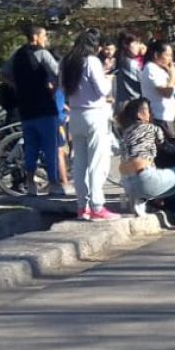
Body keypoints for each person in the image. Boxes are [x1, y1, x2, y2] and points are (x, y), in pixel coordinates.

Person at [116, 97, 175, 226]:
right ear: (140, 115)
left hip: (128, 185)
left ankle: (143, 203)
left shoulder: (126, 133)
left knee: (166, 180)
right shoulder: (152, 128)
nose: (151, 114)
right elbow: (168, 148)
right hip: (145, 179)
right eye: (149, 111)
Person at [61, 30, 117, 220]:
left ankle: (82, 206)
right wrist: (107, 77)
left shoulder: (66, 62)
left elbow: (62, 88)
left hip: (75, 114)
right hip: (94, 114)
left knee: (80, 163)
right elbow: (102, 89)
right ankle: (97, 205)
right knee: (97, 162)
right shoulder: (92, 61)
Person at [3, 22, 64, 193]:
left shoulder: (16, 55)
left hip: (26, 109)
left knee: (31, 149)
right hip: (45, 108)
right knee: (50, 148)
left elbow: (4, 73)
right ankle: (54, 183)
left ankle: (30, 184)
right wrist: (54, 90)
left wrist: (17, 86)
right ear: (36, 37)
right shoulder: (42, 54)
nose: (46, 39)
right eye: (44, 36)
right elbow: (59, 73)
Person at [111, 32, 145, 107]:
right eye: (136, 43)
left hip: (123, 105)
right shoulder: (129, 63)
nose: (139, 46)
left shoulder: (121, 60)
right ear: (125, 44)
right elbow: (144, 83)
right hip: (132, 106)